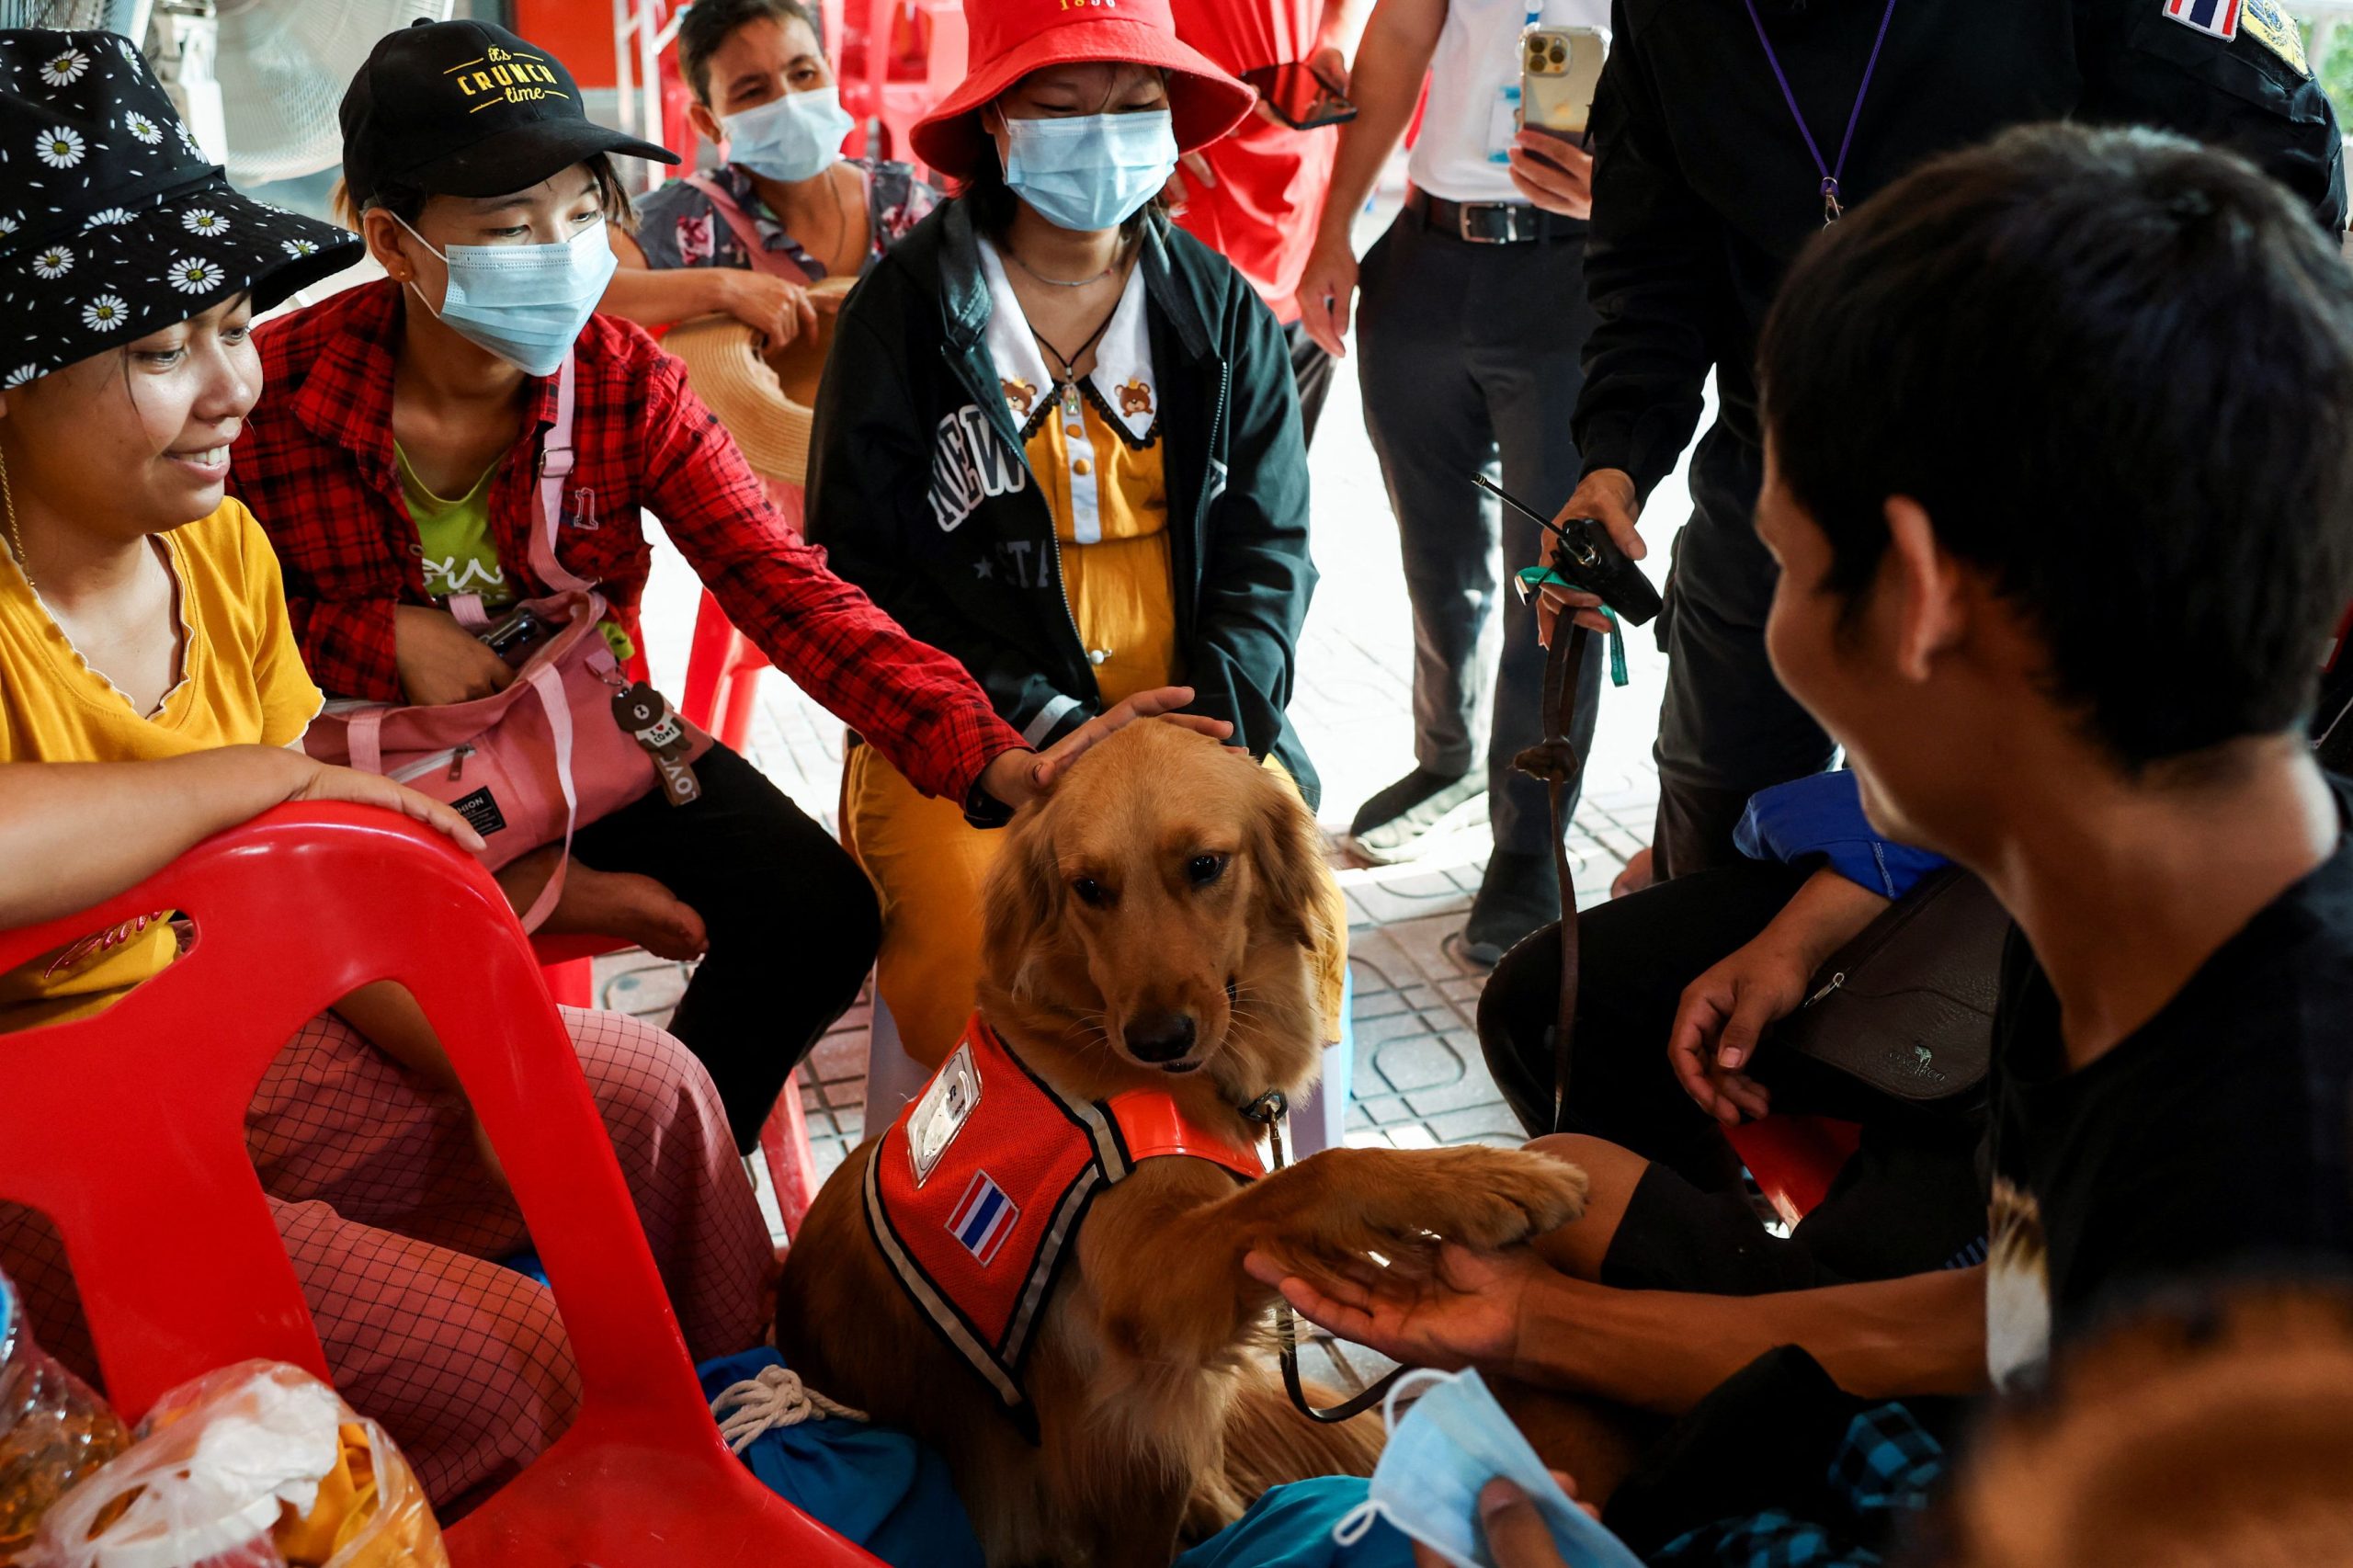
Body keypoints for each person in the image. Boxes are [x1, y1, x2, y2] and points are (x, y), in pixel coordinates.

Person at [1253, 125, 2353, 1498]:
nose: (1768, 630)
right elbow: (2011, 1322)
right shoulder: (2123, 912)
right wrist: (1544, 1325)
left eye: (1779, 560)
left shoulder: (2274, 1152)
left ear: (1921, 596)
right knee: (1562, 1186)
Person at [0, 30, 772, 1510]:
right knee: (515, 1367)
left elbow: (295, 906)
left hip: (255, 1038)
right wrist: (260, 785)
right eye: (159, 351)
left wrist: (481, 1051)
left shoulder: (217, 550)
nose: (230, 389)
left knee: (655, 1102)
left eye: (234, 329)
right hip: (62, 1125)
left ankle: (747, 1446)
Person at [231, 17, 1215, 1151]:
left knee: (819, 913)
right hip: (351, 783)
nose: (559, 251)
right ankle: (526, 983)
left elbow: (787, 588)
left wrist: (994, 755)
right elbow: (183, 630)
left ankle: (645, 1171)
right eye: (507, 228)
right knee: (344, 965)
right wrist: (373, 638)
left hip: (578, 750)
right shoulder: (266, 401)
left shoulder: (623, 385)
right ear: (391, 243)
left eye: (581, 213)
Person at [1540, 0, 2348, 889]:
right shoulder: (1666, 16)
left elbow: (2285, 176)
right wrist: (1614, 463)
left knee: (1975, 881)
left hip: (2034, 516)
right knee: (1713, 844)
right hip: (1776, 489)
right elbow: (1651, 267)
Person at [803, 0, 1347, 1072]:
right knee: (976, 935)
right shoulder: (903, 313)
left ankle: (1230, 1155)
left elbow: (1270, 543)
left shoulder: (1221, 311)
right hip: (975, 724)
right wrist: (1037, 721)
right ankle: (1016, 1169)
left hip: (1197, 714)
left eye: (1136, 105)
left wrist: (1218, 714)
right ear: (995, 120)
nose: (1102, 136)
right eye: (1060, 106)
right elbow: (860, 569)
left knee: (1290, 916)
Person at [1293, 0, 1610, 967]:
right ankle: (1447, 754)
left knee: (1555, 575)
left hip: (1576, 268)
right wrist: (1337, 227)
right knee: (1434, 545)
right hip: (1426, 256)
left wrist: (1629, 192)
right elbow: (1398, 37)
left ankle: (1528, 838)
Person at [601, 0, 939, 350]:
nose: (789, 103)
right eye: (752, 91)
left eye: (804, 73)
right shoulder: (694, 220)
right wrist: (724, 289)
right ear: (708, 121)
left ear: (829, 69)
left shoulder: (901, 205)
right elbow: (579, 282)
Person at [1164, 0, 1369, 444]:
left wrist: (1335, 40)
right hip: (1184, 175)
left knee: (1282, 462)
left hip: (1303, 175)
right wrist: (1135, 101)